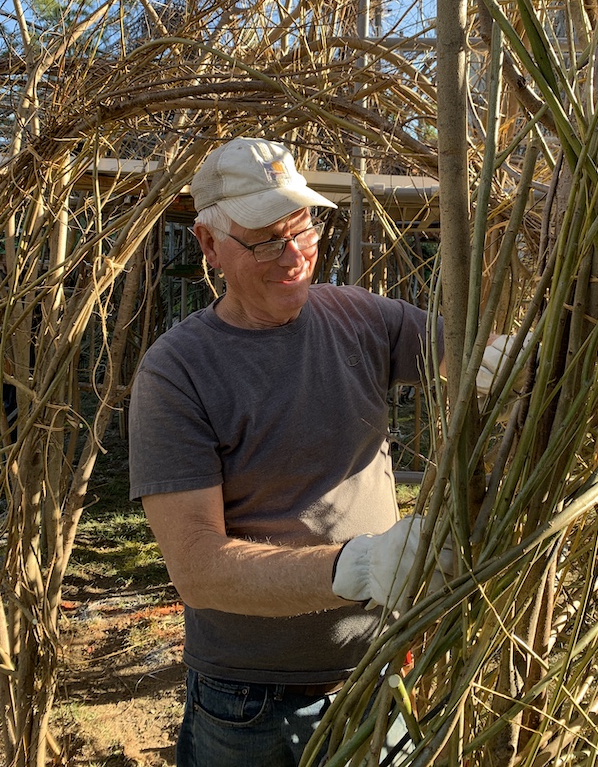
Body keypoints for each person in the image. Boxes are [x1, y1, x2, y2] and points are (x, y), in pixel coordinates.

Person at [128, 137, 506, 767]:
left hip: (376, 681)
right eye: (264, 240)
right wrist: (356, 568)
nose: (293, 256)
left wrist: (509, 357)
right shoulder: (178, 373)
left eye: (302, 229)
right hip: (251, 705)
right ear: (209, 245)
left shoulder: (355, 316)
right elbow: (195, 566)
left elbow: (463, 350)